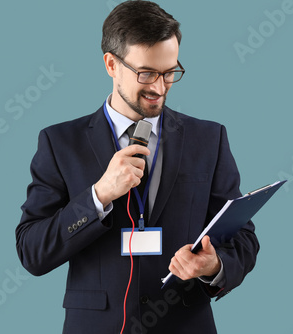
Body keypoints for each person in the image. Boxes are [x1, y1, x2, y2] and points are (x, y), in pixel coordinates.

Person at [15, 1, 259, 333]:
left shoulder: (209, 138)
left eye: (170, 72)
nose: (159, 88)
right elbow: (32, 251)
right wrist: (98, 196)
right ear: (111, 64)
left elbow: (243, 239)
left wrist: (214, 264)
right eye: (146, 73)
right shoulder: (59, 143)